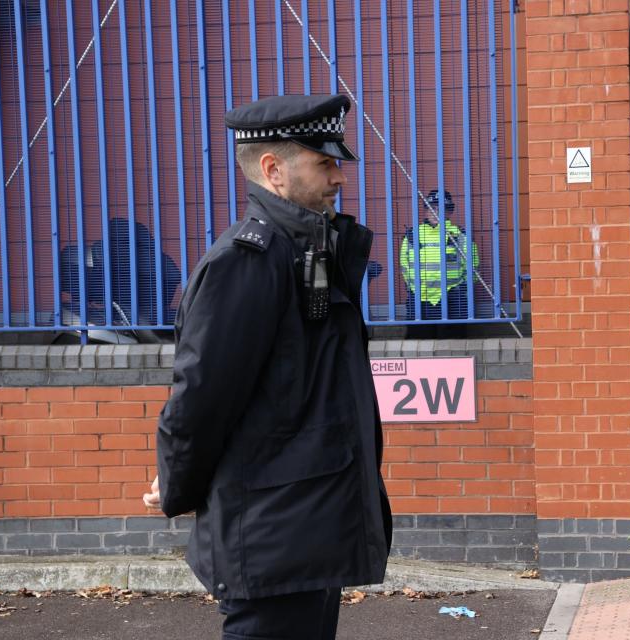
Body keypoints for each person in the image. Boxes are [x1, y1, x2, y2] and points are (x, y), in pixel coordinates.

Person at [142, 93, 391, 640]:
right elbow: (201, 398)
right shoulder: (246, 263)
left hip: (305, 527)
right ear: (274, 170)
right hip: (273, 537)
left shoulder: (309, 252)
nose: (339, 178)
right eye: (325, 163)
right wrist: (176, 483)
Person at [399, 189, 479, 338]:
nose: (435, 212)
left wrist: (460, 287)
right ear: (425, 212)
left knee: (454, 345)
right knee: (419, 346)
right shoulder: (412, 235)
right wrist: (413, 287)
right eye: (431, 208)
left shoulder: (460, 235)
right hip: (420, 298)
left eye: (441, 209)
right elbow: (404, 265)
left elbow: (473, 267)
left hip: (453, 297)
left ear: (449, 212)